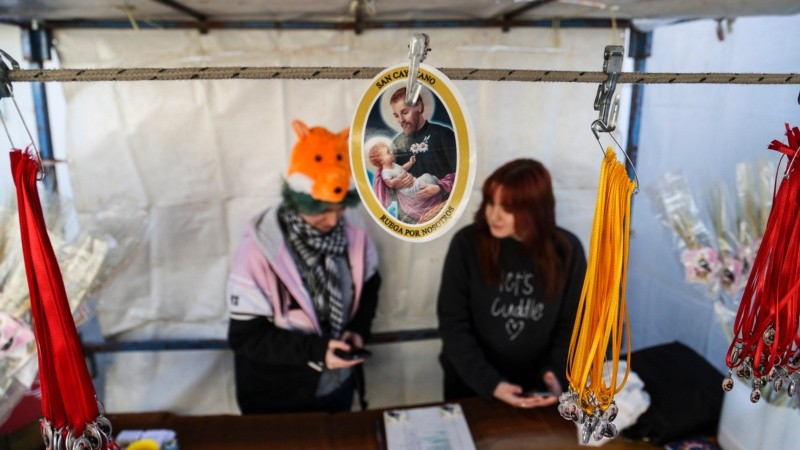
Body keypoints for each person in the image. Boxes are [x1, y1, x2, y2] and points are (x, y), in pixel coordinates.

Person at [226, 119, 381, 414]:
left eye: (338, 210)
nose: (334, 222)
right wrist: (318, 350)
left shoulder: (354, 232)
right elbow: (246, 336)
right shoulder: (258, 251)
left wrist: (358, 330)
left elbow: (370, 284)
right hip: (278, 398)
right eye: (322, 213)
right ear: (299, 203)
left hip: (338, 385)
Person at [436, 158, 587, 409]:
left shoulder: (566, 249)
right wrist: (490, 383)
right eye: (490, 202)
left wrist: (557, 376)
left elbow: (573, 324)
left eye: (507, 207)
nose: (493, 214)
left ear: (535, 209)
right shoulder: (467, 244)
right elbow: (453, 325)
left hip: (538, 389)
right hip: (472, 386)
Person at [386, 87, 457, 223]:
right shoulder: (396, 144)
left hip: (443, 213)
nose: (401, 120)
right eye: (396, 115)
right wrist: (394, 184)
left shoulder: (443, 134)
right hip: (411, 218)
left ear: (419, 106)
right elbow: (388, 185)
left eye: (405, 112)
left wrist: (440, 189)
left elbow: (461, 174)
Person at [368, 141, 439, 198]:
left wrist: (410, 162)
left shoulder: (394, 165)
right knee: (426, 179)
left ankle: (438, 185)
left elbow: (402, 168)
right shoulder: (385, 172)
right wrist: (399, 178)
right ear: (381, 160)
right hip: (409, 190)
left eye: (390, 150)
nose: (391, 152)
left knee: (427, 176)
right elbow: (390, 184)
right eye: (388, 152)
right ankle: (438, 188)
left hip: (414, 182)